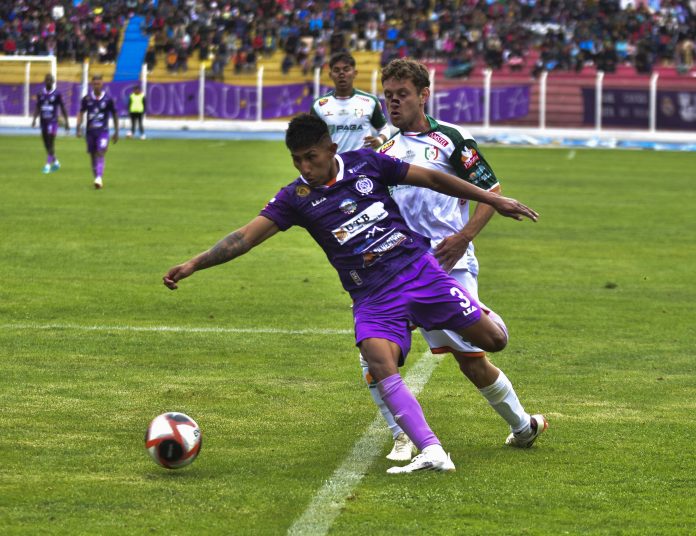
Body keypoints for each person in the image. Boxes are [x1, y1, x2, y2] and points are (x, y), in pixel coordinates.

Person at [163, 113, 539, 474]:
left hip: (418, 271)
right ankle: (432, 451)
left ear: (330, 149)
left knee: (494, 342)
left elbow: (432, 179)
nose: (305, 167)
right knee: (377, 361)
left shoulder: (366, 163)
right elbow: (245, 237)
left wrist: (493, 199)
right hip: (373, 297)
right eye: (296, 160)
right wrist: (195, 263)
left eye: (311, 157)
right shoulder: (295, 197)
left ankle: (477, 313)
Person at [368, 58, 547, 462]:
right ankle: (401, 436)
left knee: (472, 359)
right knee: (374, 354)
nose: (393, 102)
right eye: (388, 95)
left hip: (452, 265)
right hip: (402, 269)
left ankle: (523, 426)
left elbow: (492, 191)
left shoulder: (451, 139)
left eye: (402, 95)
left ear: (423, 95)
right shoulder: (387, 152)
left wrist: (463, 238)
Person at [310, 52, 391, 153]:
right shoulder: (319, 105)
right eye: (336, 70)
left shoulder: (370, 101)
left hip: (363, 161)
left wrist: (379, 140)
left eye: (346, 69)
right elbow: (312, 137)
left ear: (355, 73)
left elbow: (384, 128)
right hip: (334, 161)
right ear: (330, 75)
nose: (341, 74)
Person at [76, 74, 119, 190]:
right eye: (95, 83)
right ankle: (96, 178)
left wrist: (116, 131)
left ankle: (99, 177)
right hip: (90, 132)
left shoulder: (108, 99)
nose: (97, 85)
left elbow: (114, 114)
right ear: (92, 84)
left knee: (100, 152)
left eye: (98, 83)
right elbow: (81, 113)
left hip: (103, 132)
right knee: (92, 155)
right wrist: (78, 128)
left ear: (102, 83)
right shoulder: (87, 99)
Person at [31, 74, 69, 174]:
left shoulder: (57, 94)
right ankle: (56, 162)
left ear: (53, 81)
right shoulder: (40, 93)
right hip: (43, 122)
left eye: (50, 80)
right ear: (44, 81)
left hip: (53, 122)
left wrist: (67, 122)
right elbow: (38, 107)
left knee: (51, 142)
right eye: (47, 80)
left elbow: (63, 107)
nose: (48, 81)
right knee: (46, 144)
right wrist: (34, 119)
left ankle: (47, 165)